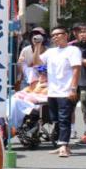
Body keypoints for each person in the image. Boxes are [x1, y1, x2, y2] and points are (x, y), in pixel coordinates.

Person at [32, 26, 81, 157]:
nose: (55, 37)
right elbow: (37, 63)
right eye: (53, 35)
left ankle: (64, 146)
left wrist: (73, 89)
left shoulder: (73, 50)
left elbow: (76, 69)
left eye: (58, 34)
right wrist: (37, 46)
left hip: (66, 91)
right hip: (52, 91)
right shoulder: (51, 52)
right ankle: (62, 144)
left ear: (66, 35)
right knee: (56, 120)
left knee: (64, 119)